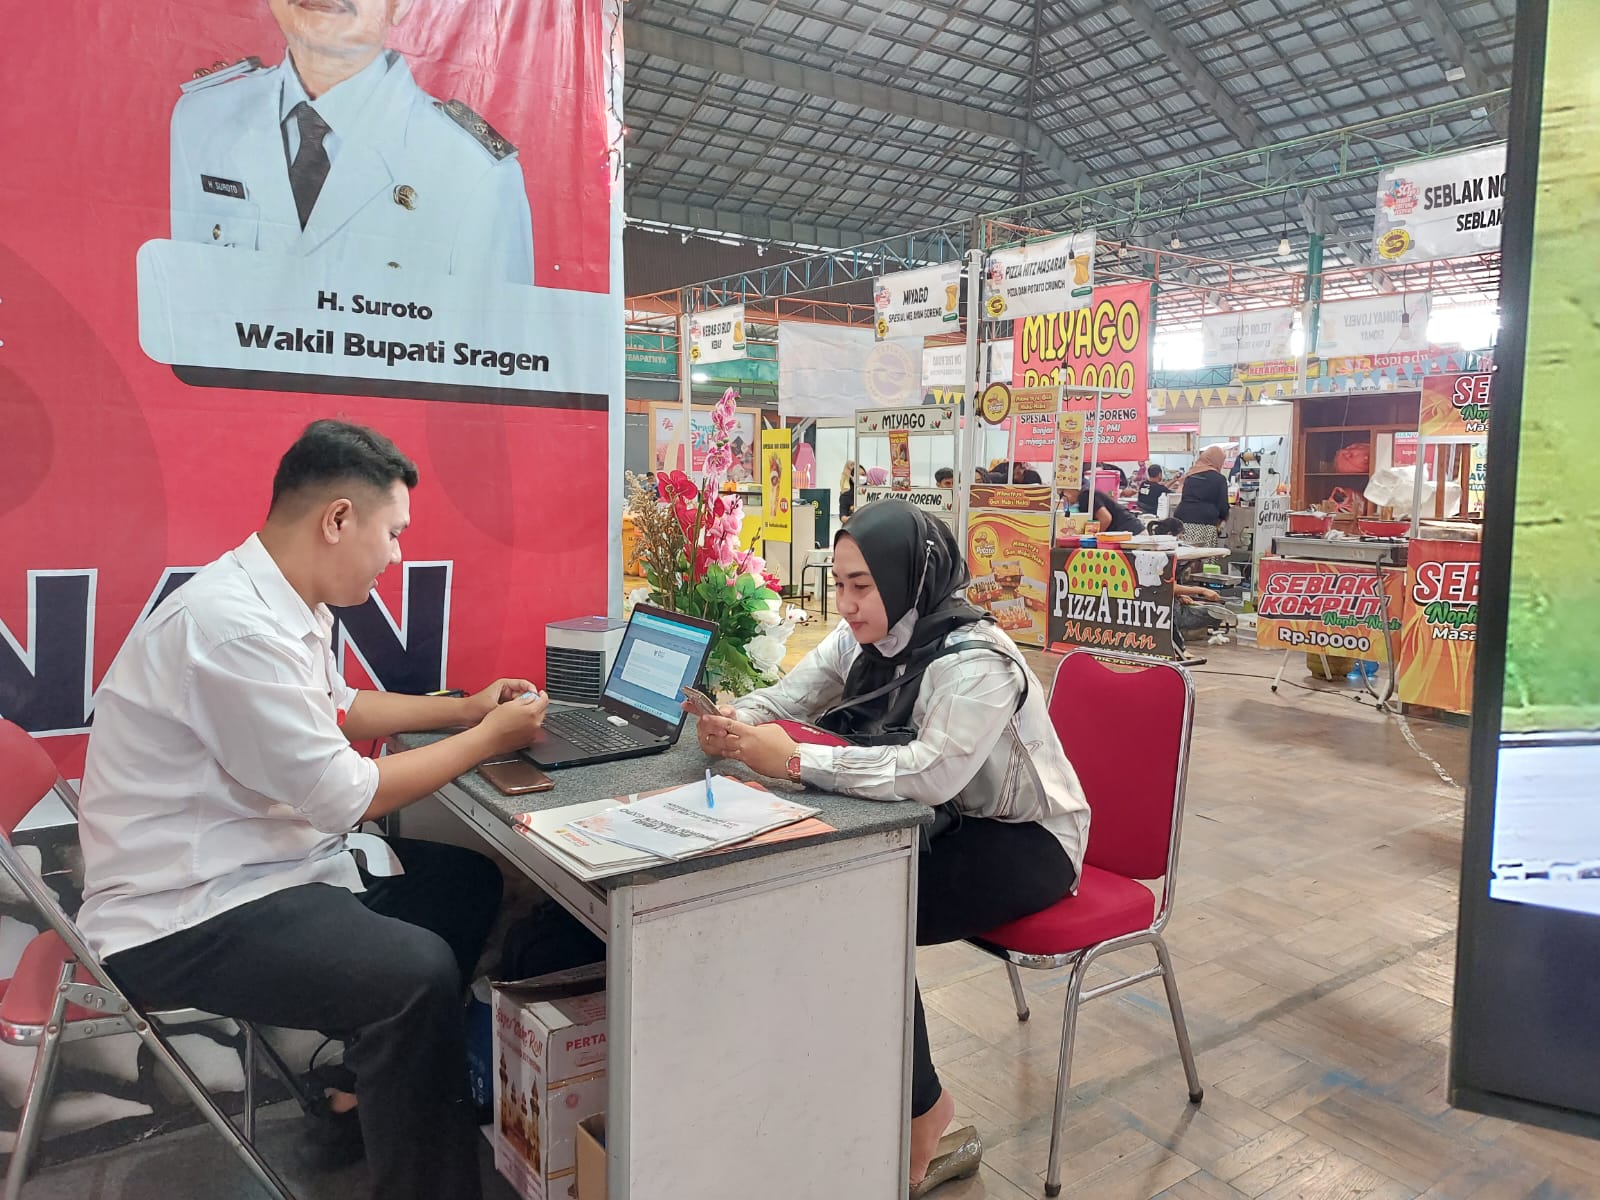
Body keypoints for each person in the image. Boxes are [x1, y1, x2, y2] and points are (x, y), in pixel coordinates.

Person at [78, 420, 551, 1200]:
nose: (395, 555)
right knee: (415, 975)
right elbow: (347, 795)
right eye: (392, 533)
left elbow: (339, 705)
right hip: (183, 911)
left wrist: (465, 710)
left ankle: (357, 1098)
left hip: (263, 866)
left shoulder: (285, 599)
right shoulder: (230, 628)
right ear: (337, 519)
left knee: (463, 887)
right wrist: (489, 738)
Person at [690, 500, 1089, 1194]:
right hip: (940, 821)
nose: (845, 604)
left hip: (1027, 840)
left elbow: (930, 773)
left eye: (862, 586)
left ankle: (922, 1106)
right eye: (839, 584)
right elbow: (788, 698)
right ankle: (852, 1083)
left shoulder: (978, 661)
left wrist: (797, 762)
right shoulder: (867, 636)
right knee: (823, 891)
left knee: (864, 906)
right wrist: (734, 720)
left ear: (909, 578)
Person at [170, 0, 534, 282]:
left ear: (401, 4)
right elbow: (189, 311)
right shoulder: (203, 119)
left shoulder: (475, 173)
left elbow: (491, 351)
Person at [1174, 444, 1231, 546]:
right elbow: (1223, 505)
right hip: (1205, 522)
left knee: (1184, 552)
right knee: (1203, 553)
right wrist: (1222, 519)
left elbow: (1184, 498)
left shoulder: (1190, 475)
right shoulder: (1219, 479)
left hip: (1182, 521)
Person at [1076, 488, 1144, 534]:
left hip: (1128, 529)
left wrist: (1093, 537)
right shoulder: (1080, 499)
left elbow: (1105, 518)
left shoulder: (1086, 495)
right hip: (1122, 529)